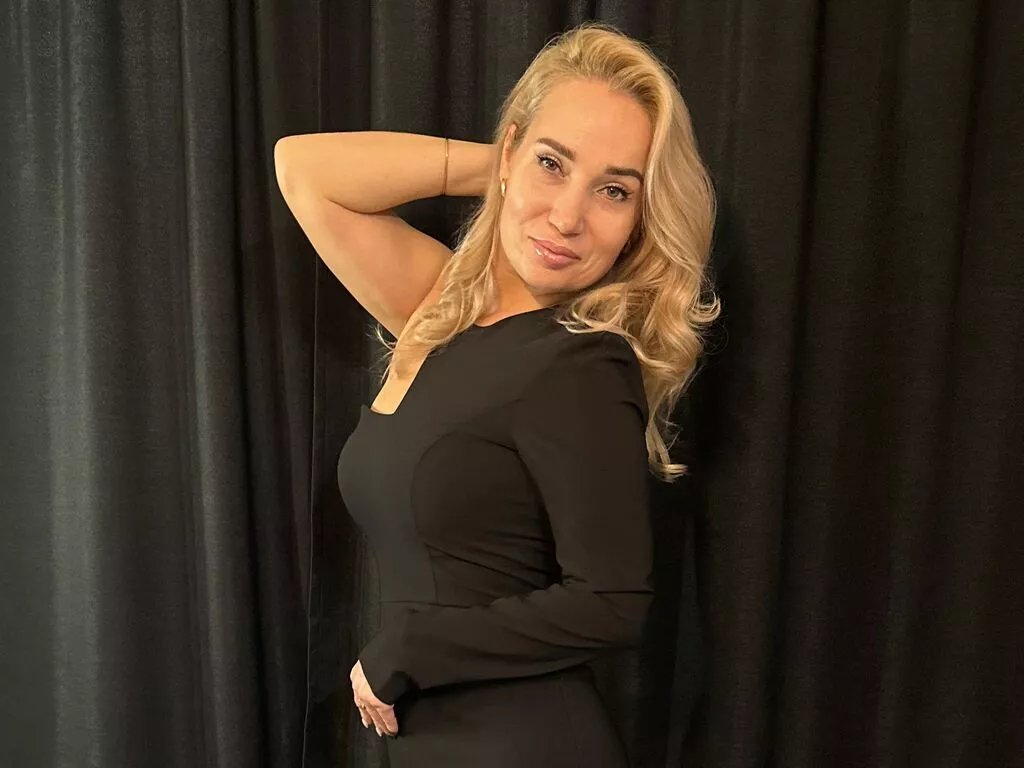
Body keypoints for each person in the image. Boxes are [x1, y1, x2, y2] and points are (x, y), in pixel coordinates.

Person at [276, 20, 719, 767]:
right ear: (509, 151)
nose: (568, 217)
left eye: (613, 190)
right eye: (552, 163)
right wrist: (510, 168)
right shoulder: (438, 313)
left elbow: (612, 601)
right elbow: (303, 169)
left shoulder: (581, 361)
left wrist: (413, 646)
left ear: (639, 219)